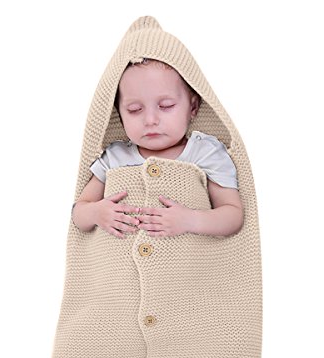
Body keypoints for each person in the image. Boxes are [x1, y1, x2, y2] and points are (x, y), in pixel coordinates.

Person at [71, 57, 244, 239]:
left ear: (193, 107)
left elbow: (233, 216)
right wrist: (96, 213)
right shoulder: (114, 157)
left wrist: (191, 220)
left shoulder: (205, 153)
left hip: (191, 258)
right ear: (119, 115)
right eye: (135, 109)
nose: (150, 120)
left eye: (165, 106)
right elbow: (78, 214)